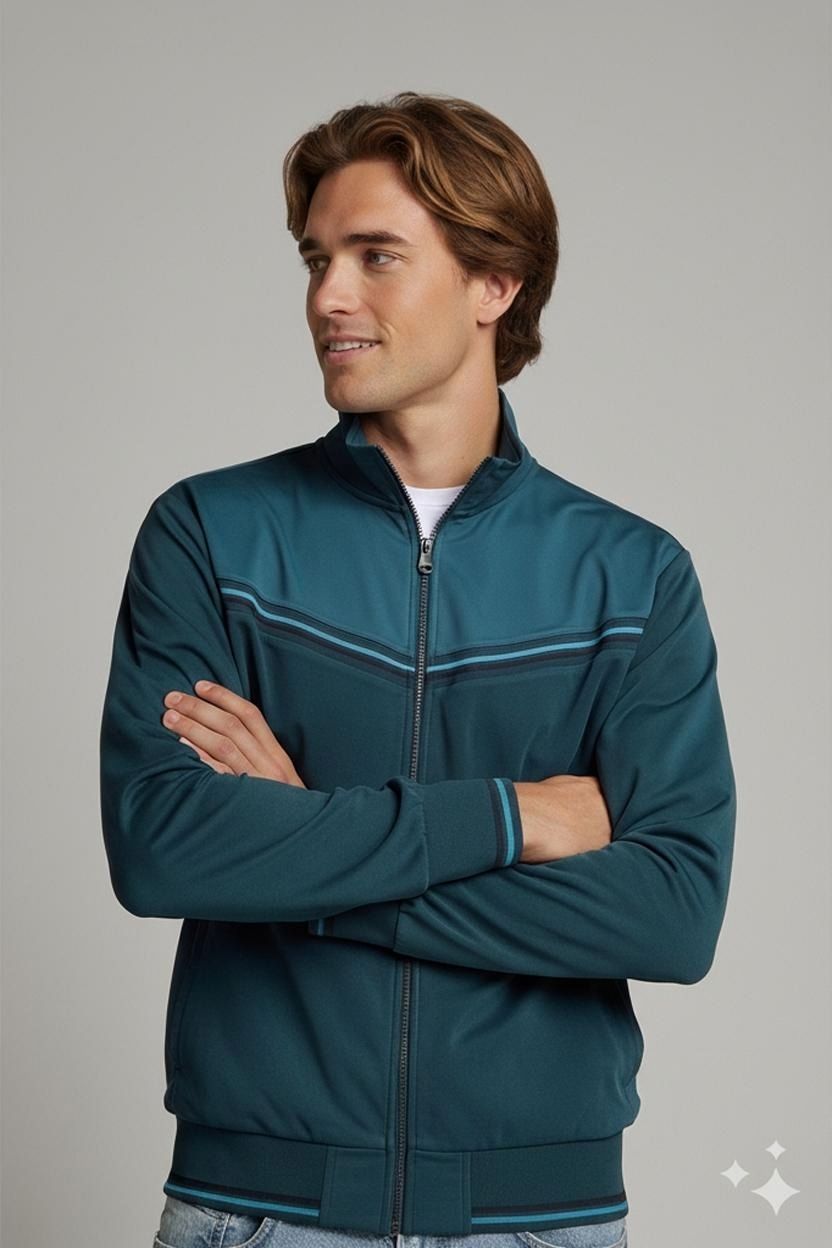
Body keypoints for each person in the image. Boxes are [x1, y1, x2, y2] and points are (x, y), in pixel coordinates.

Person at [100, 91, 736, 1248]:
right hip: (259, 1213)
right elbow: (166, 850)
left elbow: (670, 916)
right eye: (316, 259)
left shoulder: (631, 577)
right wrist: (512, 817)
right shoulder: (211, 536)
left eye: (375, 256)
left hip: (537, 1219)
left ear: (495, 284)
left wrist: (301, 847)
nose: (326, 296)